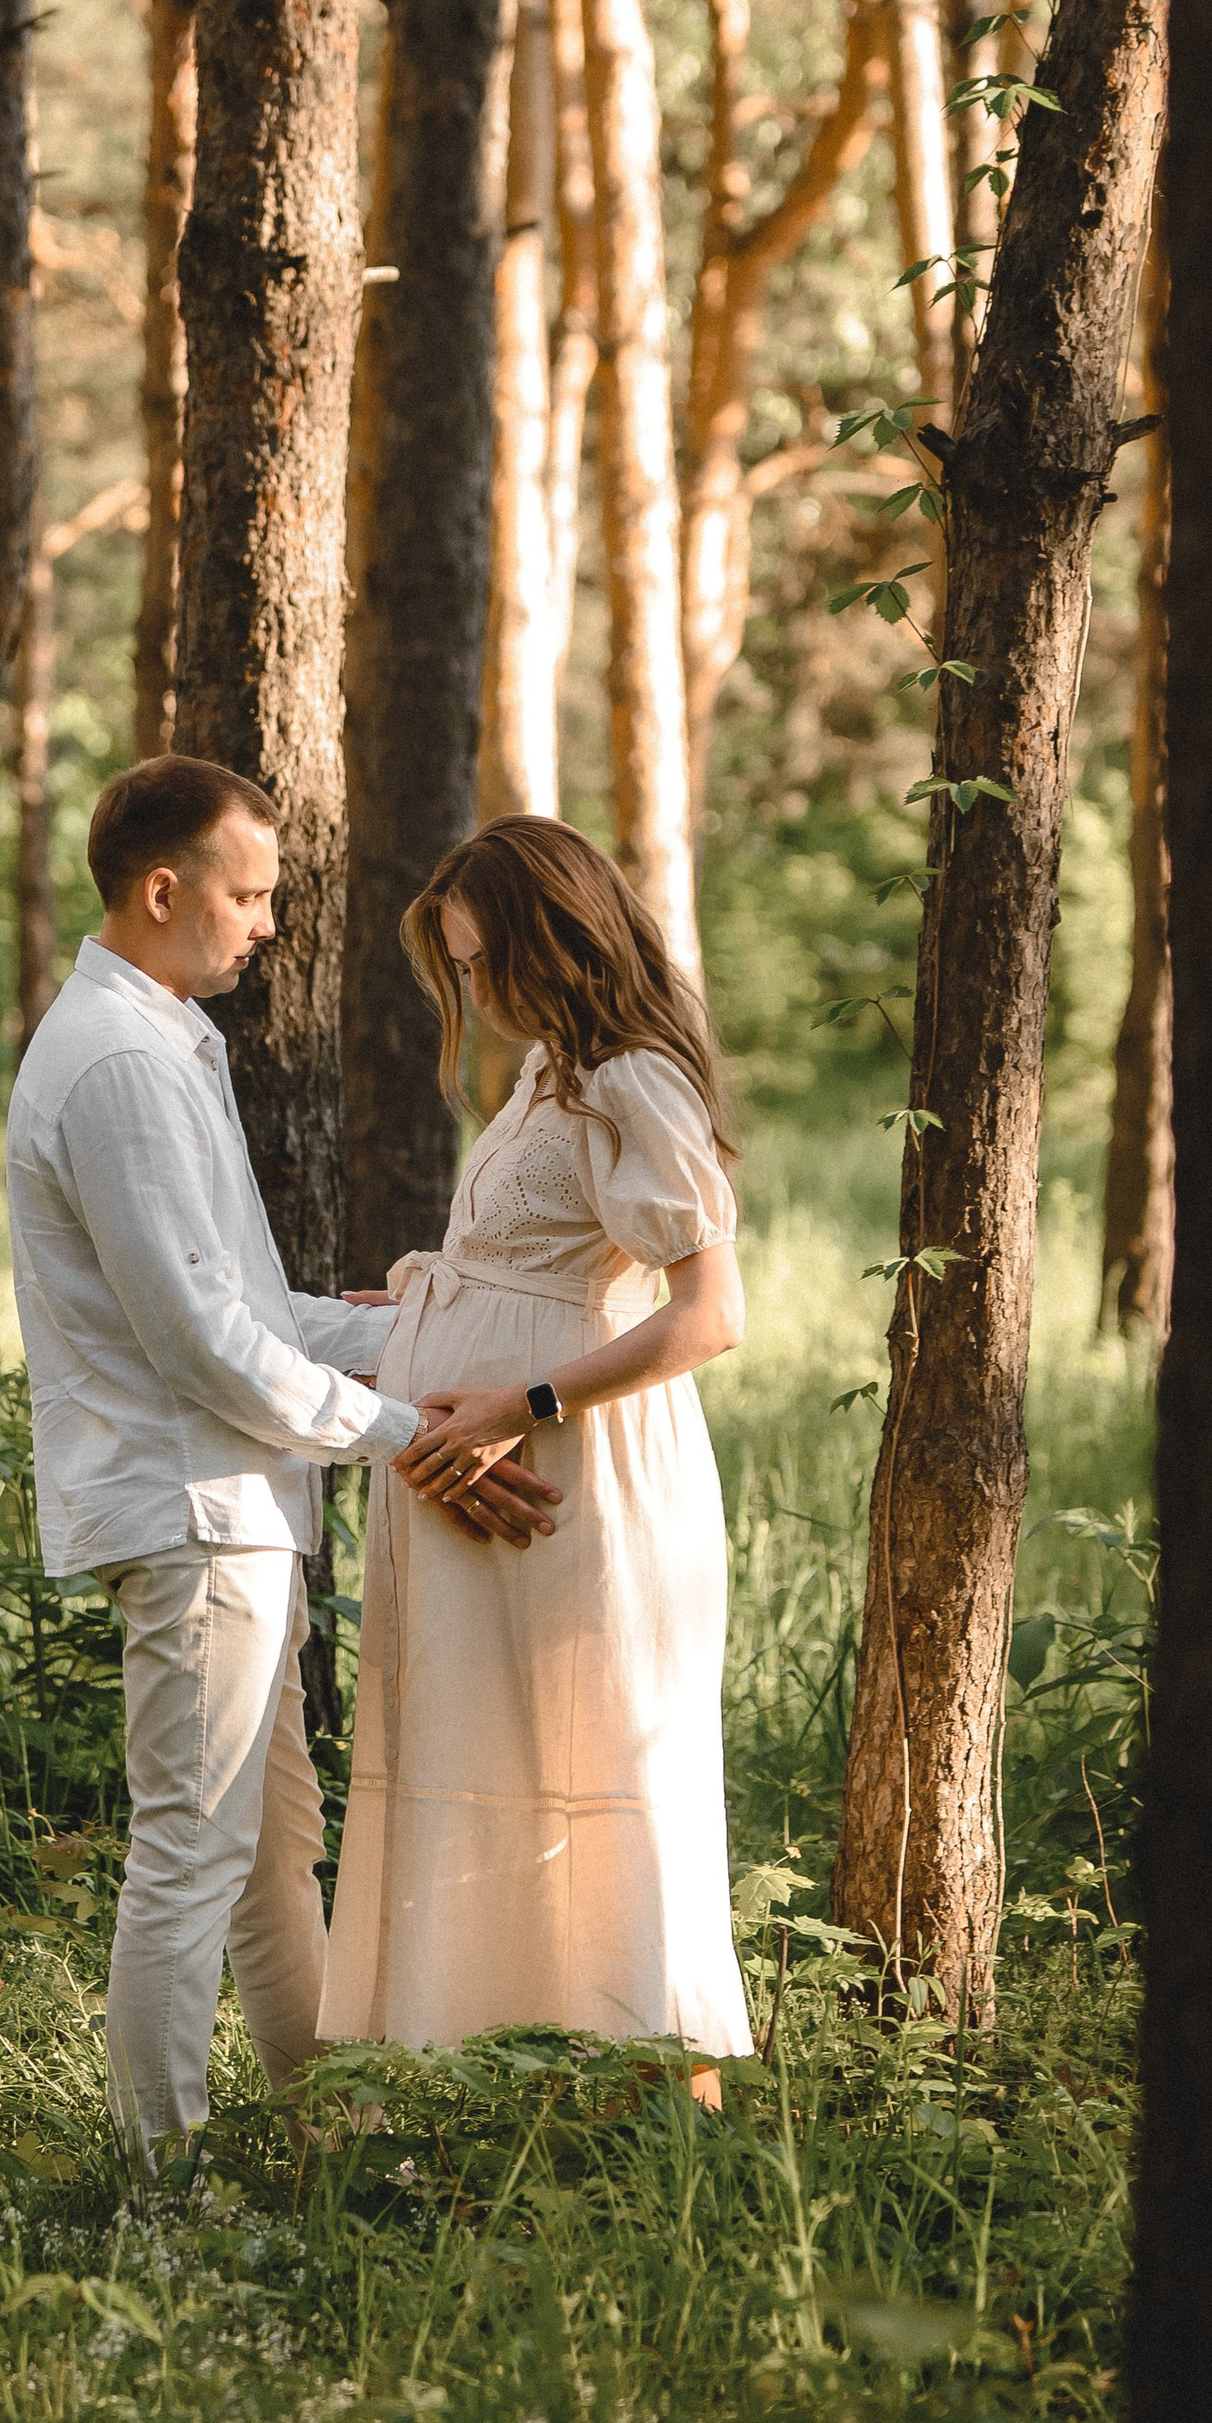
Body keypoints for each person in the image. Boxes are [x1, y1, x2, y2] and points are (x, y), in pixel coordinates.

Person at [6, 756, 560, 2167]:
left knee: (269, 1853)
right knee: (192, 1855)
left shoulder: (162, 1040)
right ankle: (159, 2187)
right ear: (162, 890)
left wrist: (420, 1331)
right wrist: (406, 1438)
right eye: (249, 895)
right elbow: (201, 1344)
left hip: (234, 1501)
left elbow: (242, 1306)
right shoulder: (121, 1063)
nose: (268, 924)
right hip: (197, 1510)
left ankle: (333, 2141)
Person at [319, 813, 755, 2102]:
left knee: (603, 1763)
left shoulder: (633, 1079)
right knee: (495, 1767)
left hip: (582, 1471)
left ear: (551, 939)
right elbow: (530, 1265)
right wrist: (419, 1320)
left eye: (482, 961)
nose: (475, 992)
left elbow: (710, 1317)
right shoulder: (549, 1074)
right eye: (458, 967)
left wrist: (522, 1399)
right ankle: (502, 2091)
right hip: (493, 1463)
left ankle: (668, 2113)